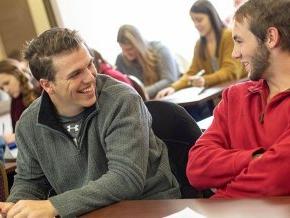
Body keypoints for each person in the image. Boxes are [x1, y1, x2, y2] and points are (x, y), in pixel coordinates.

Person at [0, 27, 180, 217]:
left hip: (148, 206)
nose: (89, 77)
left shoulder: (121, 100)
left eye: (89, 64)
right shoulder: (28, 124)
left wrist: (54, 206)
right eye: (75, 74)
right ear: (47, 85)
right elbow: (30, 182)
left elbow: (126, 179)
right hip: (88, 211)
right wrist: (14, 208)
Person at [186, 0, 290, 198]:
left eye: (239, 41)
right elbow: (196, 167)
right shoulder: (235, 97)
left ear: (270, 37)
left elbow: (274, 180)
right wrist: (257, 158)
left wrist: (223, 188)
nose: (235, 53)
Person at [156, 0, 244, 99]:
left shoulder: (228, 35)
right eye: (193, 21)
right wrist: (173, 88)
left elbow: (231, 71)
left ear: (211, 17)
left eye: (199, 20)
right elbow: (191, 72)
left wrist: (205, 80)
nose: (196, 24)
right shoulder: (200, 44)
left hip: (240, 91)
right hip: (219, 94)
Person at [115, 24, 179, 99]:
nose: (125, 53)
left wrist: (140, 93)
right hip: (142, 103)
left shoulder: (161, 50)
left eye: (129, 49)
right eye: (122, 49)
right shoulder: (120, 59)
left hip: (169, 98)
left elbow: (169, 80)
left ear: (139, 45)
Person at [0, 59, 40, 161]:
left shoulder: (39, 91)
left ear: (17, 74)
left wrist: (15, 136)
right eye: (1, 88)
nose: (6, 90)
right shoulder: (14, 101)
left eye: (7, 83)